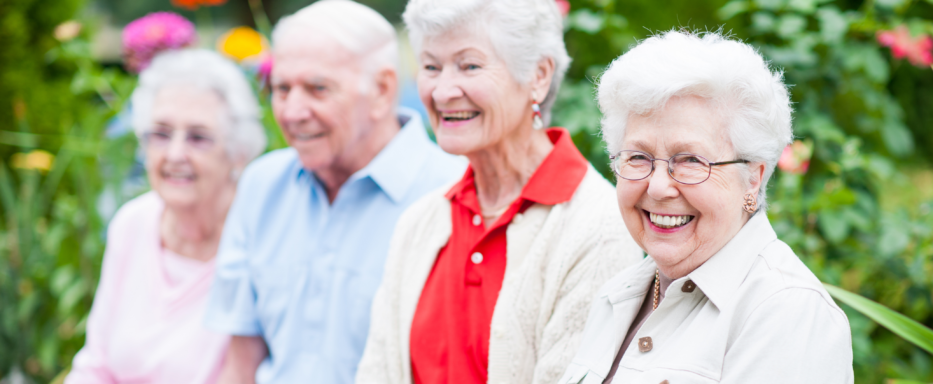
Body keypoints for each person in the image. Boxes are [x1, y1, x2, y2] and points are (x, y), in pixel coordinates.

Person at [355, 0, 643, 383]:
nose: (441, 92)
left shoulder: (598, 227)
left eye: (469, 65)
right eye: (430, 67)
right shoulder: (419, 221)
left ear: (538, 76)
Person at [557, 30, 854, 384]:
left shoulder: (787, 312)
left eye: (691, 161)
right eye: (638, 157)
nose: (658, 186)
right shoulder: (617, 296)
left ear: (753, 177)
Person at [204, 1, 466, 383]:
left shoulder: (454, 195)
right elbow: (241, 363)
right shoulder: (262, 185)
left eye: (317, 89)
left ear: (382, 89)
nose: (293, 112)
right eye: (281, 88)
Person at [66, 49, 267, 384]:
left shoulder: (257, 242)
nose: (175, 154)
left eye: (198, 137)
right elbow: (96, 363)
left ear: (238, 153)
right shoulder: (133, 222)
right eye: (160, 134)